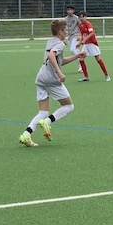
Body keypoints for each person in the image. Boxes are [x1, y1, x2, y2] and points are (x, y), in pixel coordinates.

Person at [19, 19, 86, 147]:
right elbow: (51, 56)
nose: (67, 33)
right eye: (65, 30)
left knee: (43, 112)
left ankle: (26, 135)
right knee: (68, 106)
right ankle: (47, 122)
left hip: (41, 78)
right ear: (60, 32)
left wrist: (77, 56)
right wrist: (59, 73)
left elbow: (60, 60)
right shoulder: (59, 44)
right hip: (51, 79)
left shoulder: (51, 41)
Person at [77, 10, 110, 81]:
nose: (81, 18)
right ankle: (86, 77)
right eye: (80, 17)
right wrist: (79, 43)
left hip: (92, 43)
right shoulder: (80, 25)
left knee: (98, 59)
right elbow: (82, 35)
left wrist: (84, 40)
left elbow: (92, 33)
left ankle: (106, 75)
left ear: (85, 17)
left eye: (82, 17)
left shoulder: (88, 24)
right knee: (81, 59)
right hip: (86, 45)